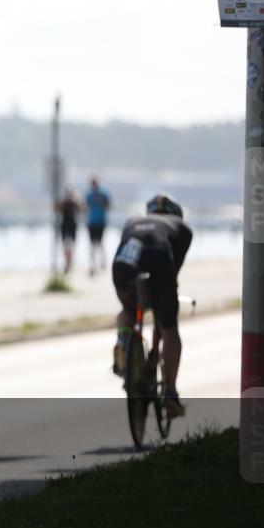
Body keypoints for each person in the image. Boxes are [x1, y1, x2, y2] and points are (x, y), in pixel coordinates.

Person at [111, 194, 192, 418]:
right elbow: (172, 273)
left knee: (128, 311)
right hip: (159, 262)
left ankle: (123, 347)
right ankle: (170, 392)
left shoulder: (132, 221)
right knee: (169, 329)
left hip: (123, 266)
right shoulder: (182, 228)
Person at [85, 176, 112, 276]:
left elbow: (109, 205)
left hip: (100, 222)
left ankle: (102, 262)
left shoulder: (104, 194)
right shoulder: (89, 194)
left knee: (100, 243)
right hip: (91, 222)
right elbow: (85, 206)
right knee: (92, 244)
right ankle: (93, 264)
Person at [57, 186, 80, 275]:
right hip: (65, 227)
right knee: (66, 247)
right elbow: (58, 210)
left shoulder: (75, 203)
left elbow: (81, 210)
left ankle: (70, 263)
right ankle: (67, 263)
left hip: (72, 226)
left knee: (71, 247)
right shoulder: (63, 203)